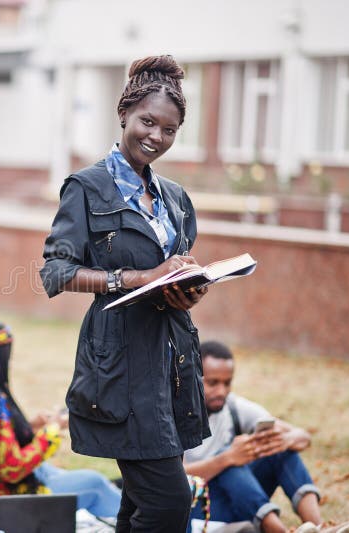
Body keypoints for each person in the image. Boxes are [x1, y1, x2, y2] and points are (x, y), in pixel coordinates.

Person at [39, 55, 211, 533]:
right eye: (148, 122)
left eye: (170, 130)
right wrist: (137, 277)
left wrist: (186, 290)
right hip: (119, 363)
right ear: (124, 115)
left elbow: (175, 268)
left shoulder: (175, 198)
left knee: (139, 502)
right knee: (169, 500)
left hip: (172, 359)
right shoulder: (86, 188)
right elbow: (57, 273)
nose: (156, 137)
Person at [0, 315, 121, 522]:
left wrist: (28, 427)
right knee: (94, 483)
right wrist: (52, 430)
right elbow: (12, 469)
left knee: (58, 473)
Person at [183, 341, 349, 533]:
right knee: (231, 461)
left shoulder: (233, 407)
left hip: (240, 500)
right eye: (212, 383)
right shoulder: (172, 416)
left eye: (227, 383)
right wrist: (226, 459)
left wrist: (285, 440)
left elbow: (302, 436)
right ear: (193, 377)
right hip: (197, 512)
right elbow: (172, 477)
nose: (222, 391)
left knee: (278, 448)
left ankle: (321, 527)